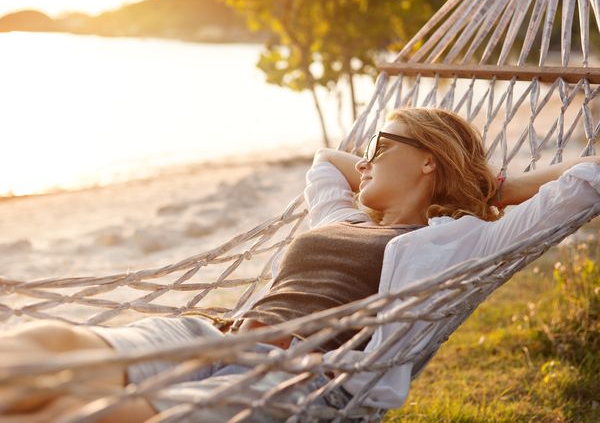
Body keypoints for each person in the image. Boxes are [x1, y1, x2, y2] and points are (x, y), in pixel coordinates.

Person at [1, 107, 599, 422]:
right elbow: (325, 160)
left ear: (427, 162)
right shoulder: (339, 216)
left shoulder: (460, 243)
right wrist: (384, 157)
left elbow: (586, 181)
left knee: (78, 411)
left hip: (289, 377)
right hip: (210, 337)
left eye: (380, 147)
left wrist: (495, 188)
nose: (363, 161)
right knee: (48, 344)